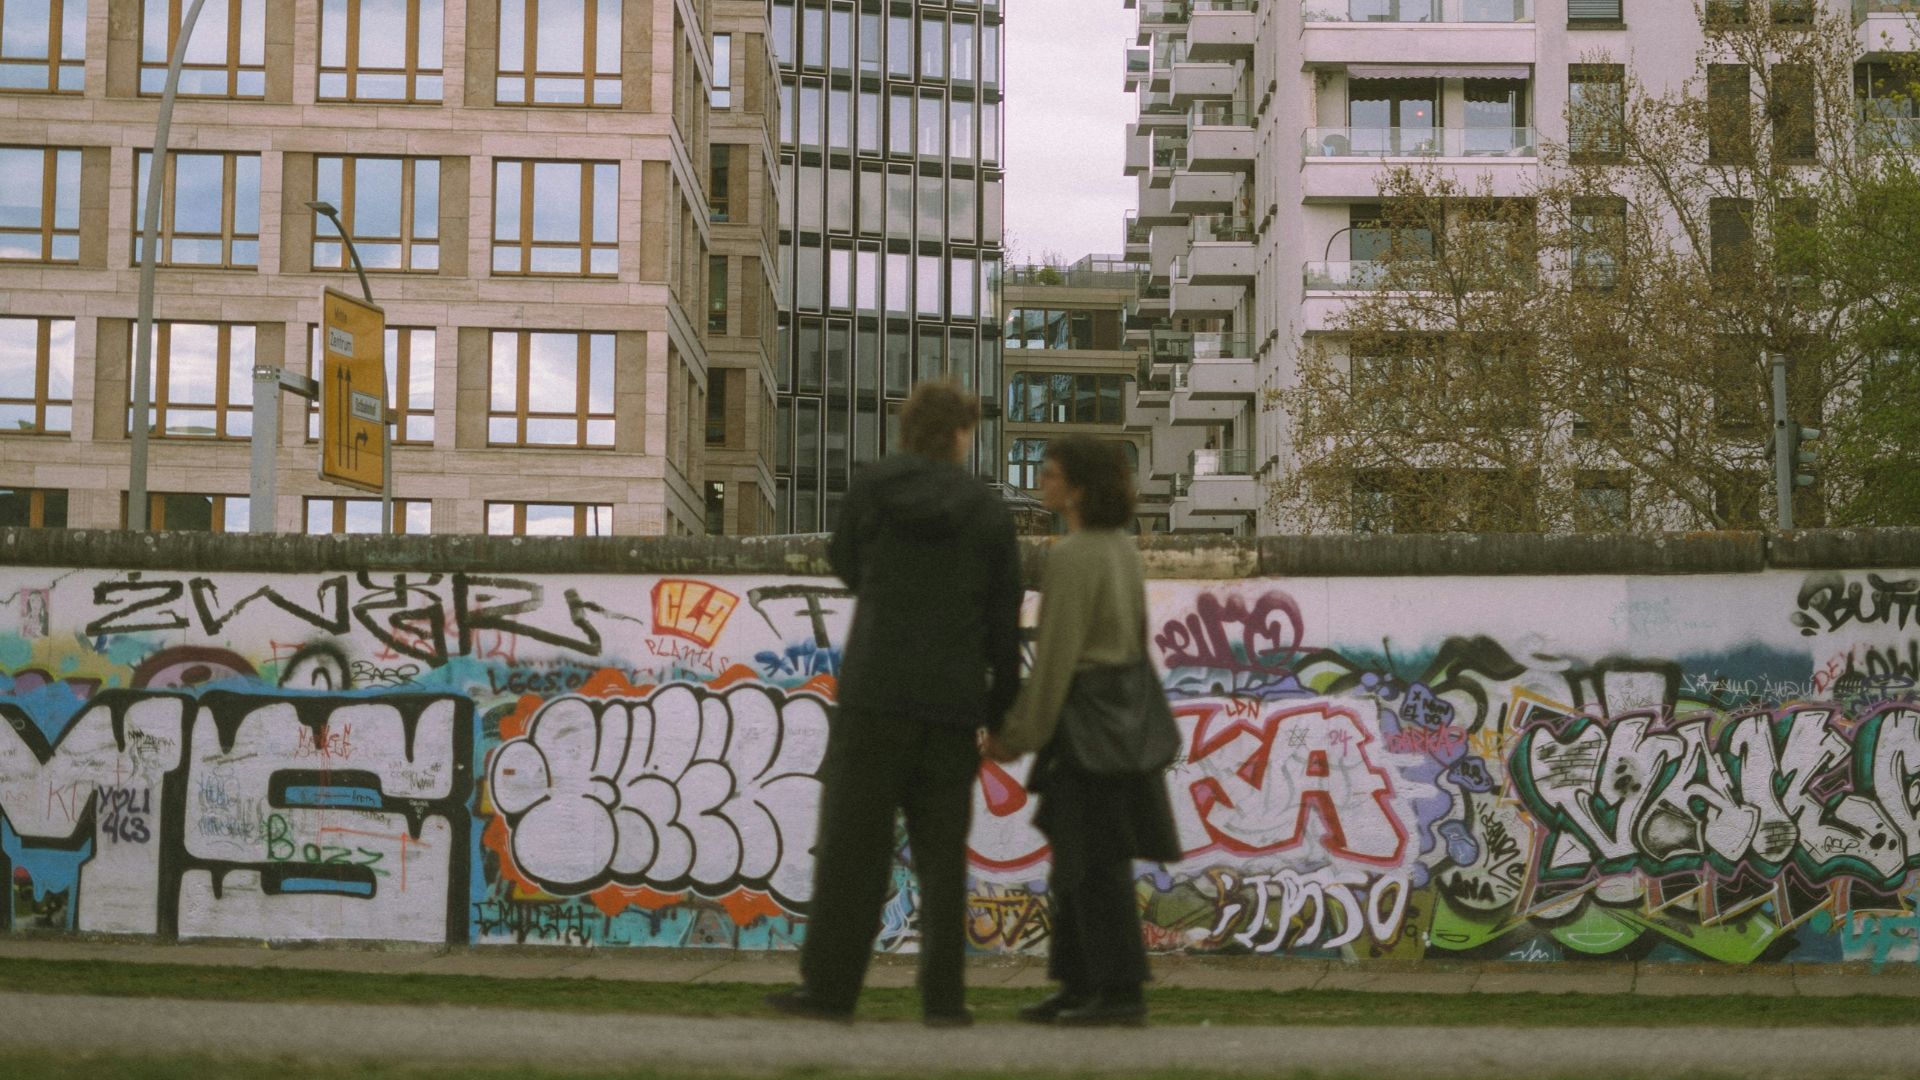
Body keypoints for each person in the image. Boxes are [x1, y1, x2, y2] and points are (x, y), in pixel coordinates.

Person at [767, 379, 1023, 1028]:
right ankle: (943, 1001)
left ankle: (828, 992)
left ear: (908, 431)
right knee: (943, 863)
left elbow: (846, 562)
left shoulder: (873, 487)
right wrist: (998, 715)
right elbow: (1003, 620)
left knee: (853, 851)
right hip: (950, 706)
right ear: (961, 434)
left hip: (875, 695)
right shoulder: (987, 511)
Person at [985, 436, 1180, 1027]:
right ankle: (1075, 986)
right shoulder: (1122, 550)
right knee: (1078, 857)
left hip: (1084, 727)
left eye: (1051, 474)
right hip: (1121, 721)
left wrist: (1014, 736)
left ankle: (1119, 994)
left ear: (1077, 488)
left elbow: (1055, 664)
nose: (1042, 481)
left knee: (1093, 865)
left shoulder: (1070, 558)